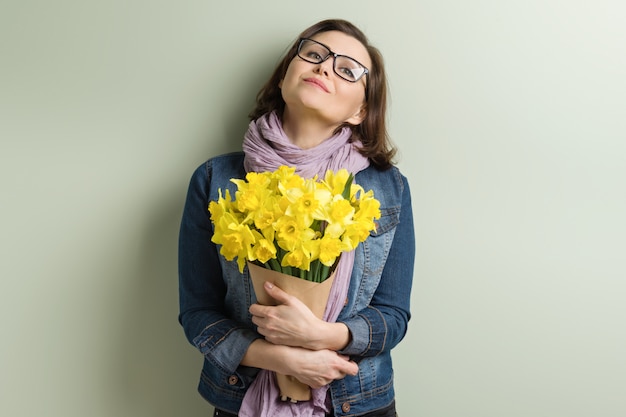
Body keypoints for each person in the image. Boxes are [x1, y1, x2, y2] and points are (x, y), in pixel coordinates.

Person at [178, 18, 415, 417]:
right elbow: (198, 314)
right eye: (315, 54)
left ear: (361, 109)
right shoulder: (215, 180)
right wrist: (284, 360)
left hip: (358, 401)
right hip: (242, 397)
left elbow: (393, 316)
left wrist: (322, 336)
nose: (324, 67)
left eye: (347, 70)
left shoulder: (388, 189)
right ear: (286, 74)